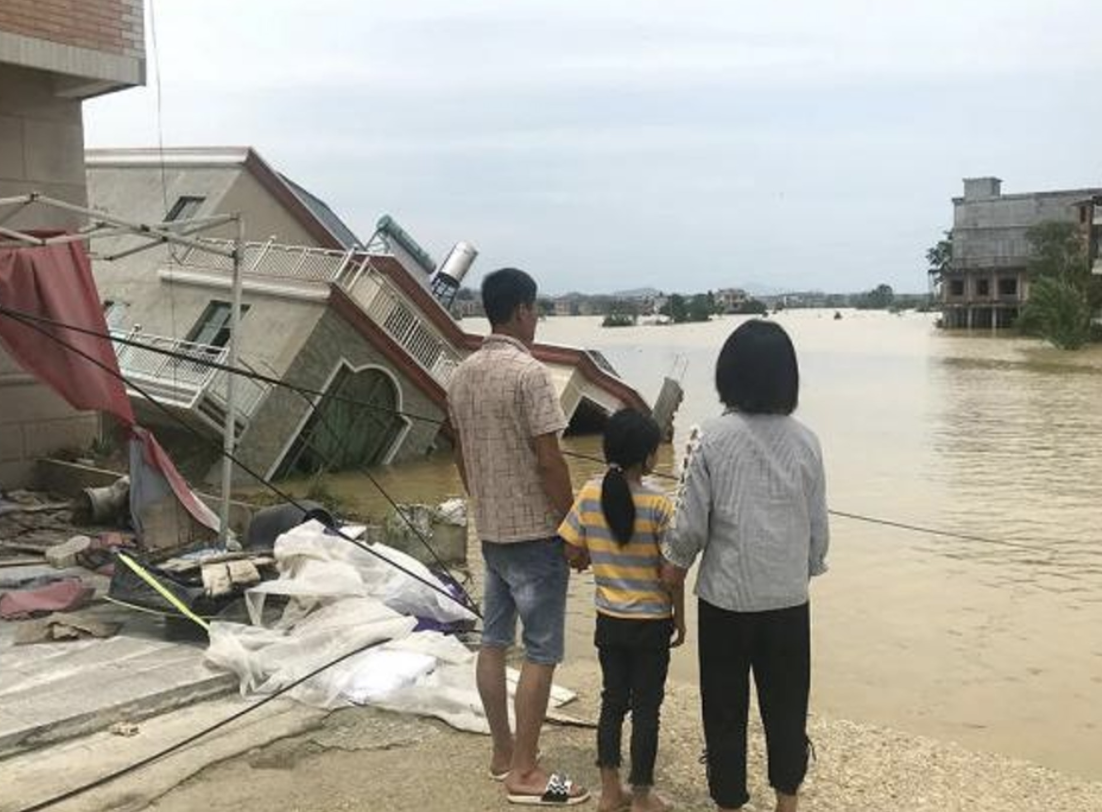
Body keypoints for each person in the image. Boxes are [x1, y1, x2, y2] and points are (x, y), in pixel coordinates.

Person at [661, 320, 829, 812]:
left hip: (725, 603)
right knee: (786, 707)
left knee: (725, 710)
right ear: (787, 379)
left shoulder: (711, 437)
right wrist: (805, 566)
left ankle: (730, 803)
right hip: (787, 603)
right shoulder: (807, 441)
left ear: (728, 375)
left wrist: (673, 568)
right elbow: (817, 529)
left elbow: (689, 526)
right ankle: (786, 802)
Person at [446, 267, 589, 806]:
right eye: (536, 309)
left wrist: (482, 501)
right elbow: (550, 463)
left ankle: (503, 752)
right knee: (542, 651)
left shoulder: (461, 374)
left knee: (494, 641)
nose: (537, 318)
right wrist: (574, 531)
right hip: (535, 533)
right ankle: (526, 774)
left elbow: (459, 451)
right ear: (523, 310)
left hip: (493, 532)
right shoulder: (530, 375)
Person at [559, 409, 685, 812]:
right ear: (649, 457)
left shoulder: (590, 493)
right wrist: (679, 618)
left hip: (609, 619)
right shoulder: (659, 504)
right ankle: (643, 797)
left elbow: (571, 552)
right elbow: (671, 574)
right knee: (647, 708)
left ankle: (610, 791)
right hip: (650, 623)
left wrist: (595, 559)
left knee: (612, 702)